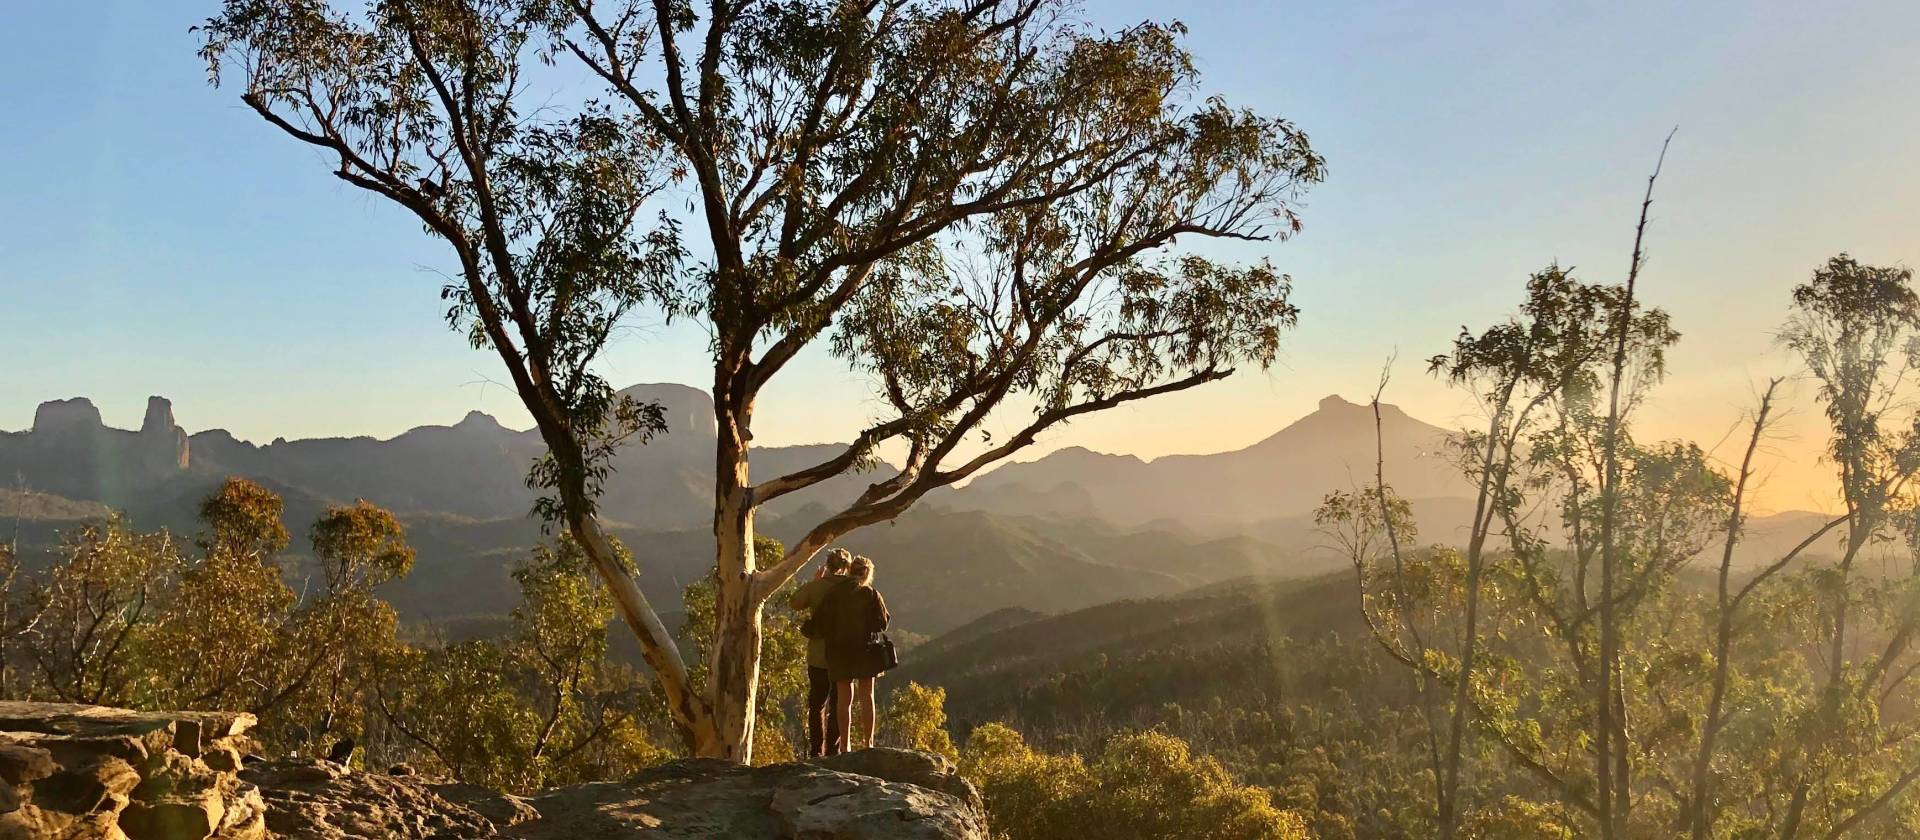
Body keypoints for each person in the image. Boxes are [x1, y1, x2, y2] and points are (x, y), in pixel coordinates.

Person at [789, 548, 853, 758]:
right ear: (846, 567)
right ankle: (834, 751)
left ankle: (816, 751)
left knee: (816, 704)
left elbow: (795, 603)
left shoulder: (817, 587)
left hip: (817, 655)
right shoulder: (853, 589)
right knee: (839, 704)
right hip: (843, 656)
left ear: (827, 566)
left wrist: (813, 581)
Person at [824, 555, 890, 751]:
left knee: (844, 698)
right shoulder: (870, 594)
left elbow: (825, 621)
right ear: (867, 574)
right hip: (865, 650)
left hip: (839, 650)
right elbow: (882, 623)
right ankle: (868, 743)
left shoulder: (834, 593)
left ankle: (845, 745)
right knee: (867, 696)